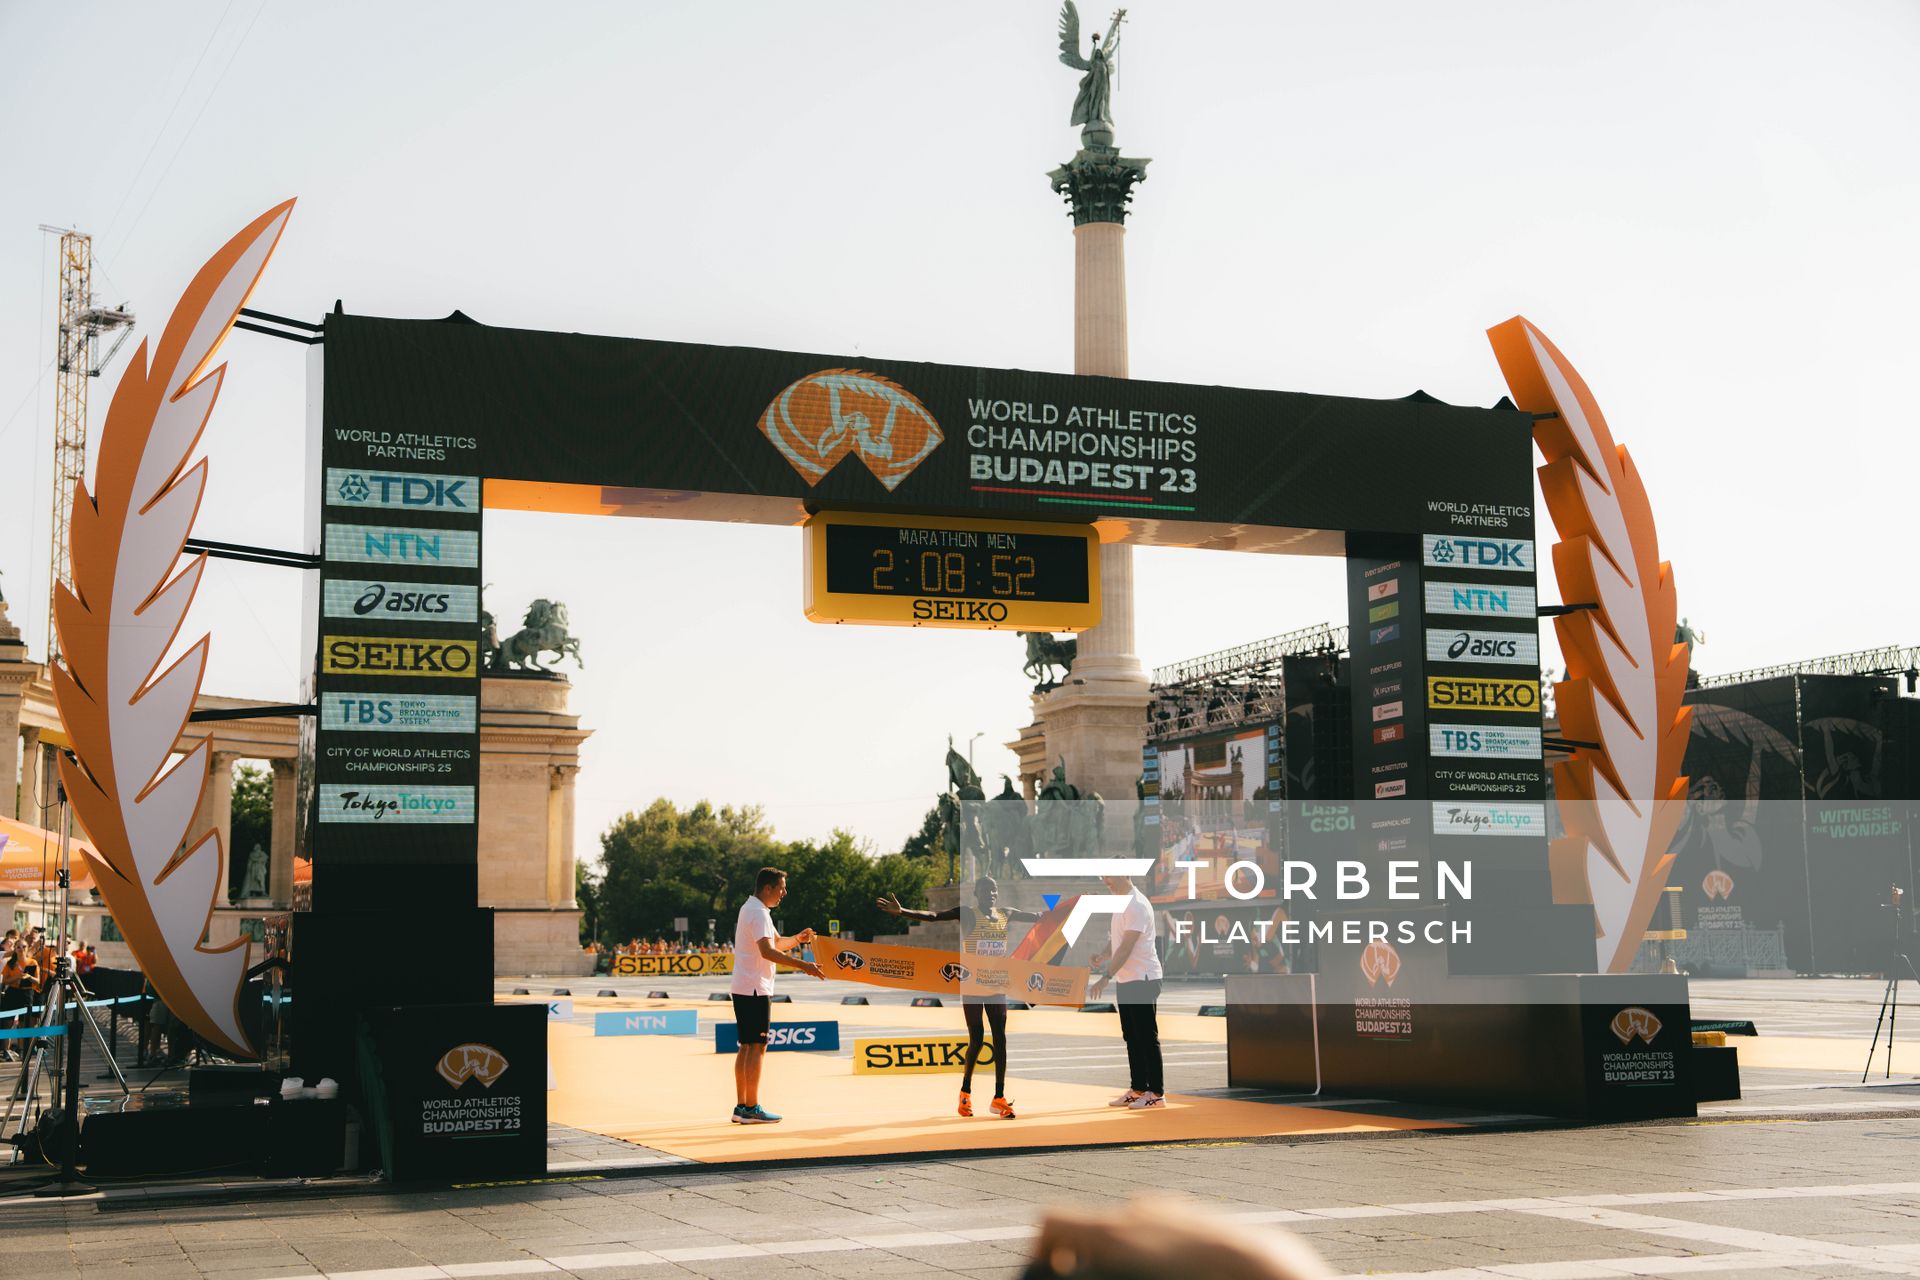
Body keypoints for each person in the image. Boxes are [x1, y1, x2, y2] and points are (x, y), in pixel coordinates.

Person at [878, 876, 1041, 1119]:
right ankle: (965, 1093)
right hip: (973, 983)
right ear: (976, 894)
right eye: (985, 890)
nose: (991, 894)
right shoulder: (968, 914)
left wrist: (1074, 906)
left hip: (996, 983)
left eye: (994, 890)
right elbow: (934, 916)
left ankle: (999, 1098)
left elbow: (1040, 917)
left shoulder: (1006, 913)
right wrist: (903, 912)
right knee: (976, 1038)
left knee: (1000, 1039)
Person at [729, 867, 822, 1125]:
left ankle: (742, 1106)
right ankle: (751, 1107)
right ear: (767, 888)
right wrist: (805, 965)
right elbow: (768, 952)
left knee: (747, 1046)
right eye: (781, 888)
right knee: (757, 1046)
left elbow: (776, 942)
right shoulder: (758, 913)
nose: (784, 893)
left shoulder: (754, 909)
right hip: (755, 987)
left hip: (745, 986)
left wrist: (797, 939)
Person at [1089, 870, 1165, 1109]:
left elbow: (1127, 947)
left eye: (1109, 877)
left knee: (1146, 1037)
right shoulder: (1120, 904)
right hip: (1127, 979)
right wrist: (1103, 955)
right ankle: (1138, 1088)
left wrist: (1105, 977)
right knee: (1131, 1036)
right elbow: (1117, 941)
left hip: (1143, 978)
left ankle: (1157, 1093)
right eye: (1103, 878)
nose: (1105, 882)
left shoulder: (1137, 905)